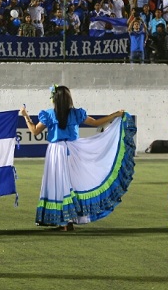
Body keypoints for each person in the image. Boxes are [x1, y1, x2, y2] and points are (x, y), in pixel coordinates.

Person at [20, 85, 134, 231]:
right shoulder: (76, 114)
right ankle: (70, 220)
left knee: (58, 184)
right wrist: (115, 115)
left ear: (54, 99)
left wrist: (26, 116)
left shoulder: (49, 114)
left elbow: (35, 131)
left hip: (56, 151)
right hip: (74, 150)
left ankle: (64, 221)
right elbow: (96, 123)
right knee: (73, 183)